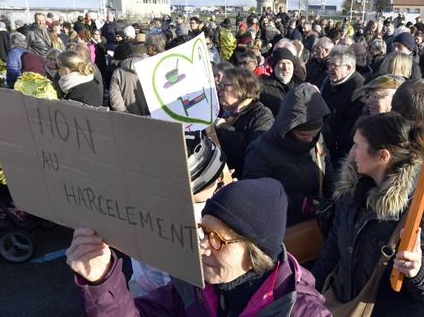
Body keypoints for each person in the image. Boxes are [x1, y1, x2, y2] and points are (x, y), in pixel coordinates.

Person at [67, 178, 331, 316]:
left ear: (255, 254)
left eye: (217, 238)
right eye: (203, 231)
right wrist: (102, 279)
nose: (202, 247)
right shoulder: (192, 285)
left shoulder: (300, 312)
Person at [312, 113, 424, 315]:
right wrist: (309, 295)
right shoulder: (350, 197)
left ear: (383, 156)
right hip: (341, 307)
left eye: (357, 146)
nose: (351, 153)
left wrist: (420, 270)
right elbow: (330, 256)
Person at [129, 130, 228, 296]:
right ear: (193, 186)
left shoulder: (144, 201)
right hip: (178, 298)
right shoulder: (202, 223)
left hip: (141, 290)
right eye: (216, 179)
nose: (220, 180)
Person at [243, 83, 334, 226]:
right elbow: (257, 196)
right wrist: (299, 203)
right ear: (287, 127)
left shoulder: (317, 140)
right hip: (284, 226)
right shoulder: (260, 151)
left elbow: (328, 171)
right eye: (303, 134)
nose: (310, 139)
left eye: (315, 132)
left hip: (317, 224)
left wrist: (329, 200)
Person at [214, 68, 274, 179]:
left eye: (223, 86)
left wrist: (224, 128)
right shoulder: (221, 111)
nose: (219, 90)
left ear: (241, 89)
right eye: (218, 85)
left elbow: (252, 152)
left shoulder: (262, 115)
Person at [321, 47, 365, 164]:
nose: (330, 69)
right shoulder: (328, 82)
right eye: (329, 64)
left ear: (348, 68)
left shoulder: (358, 89)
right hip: (324, 145)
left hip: (340, 154)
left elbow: (350, 129)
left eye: (334, 65)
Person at [109, 38, 150, 116]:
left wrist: (125, 114)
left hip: (127, 119)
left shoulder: (118, 72)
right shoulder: (152, 70)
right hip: (152, 118)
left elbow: (115, 99)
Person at [259, 47, 303, 117]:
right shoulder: (262, 87)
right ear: (274, 67)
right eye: (282, 63)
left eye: (289, 63)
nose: (286, 68)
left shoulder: (301, 87)